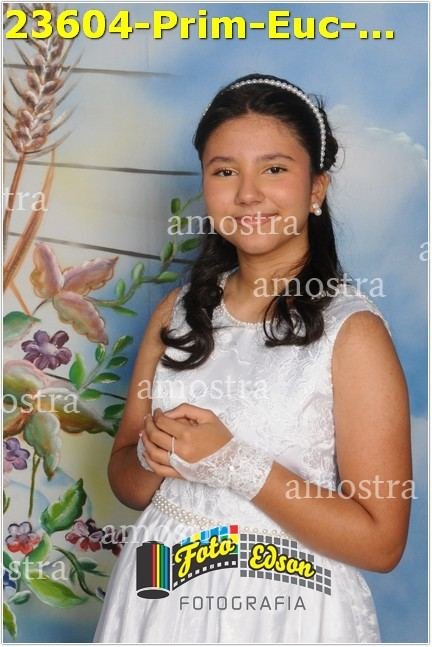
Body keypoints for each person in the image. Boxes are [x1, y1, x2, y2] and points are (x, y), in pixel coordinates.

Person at [93, 73, 412, 643]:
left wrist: (232, 461)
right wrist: (151, 454)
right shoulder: (178, 311)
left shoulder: (352, 332)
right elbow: (127, 480)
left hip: (287, 607)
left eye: (274, 169)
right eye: (224, 172)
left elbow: (381, 543)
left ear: (316, 188)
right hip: (159, 592)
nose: (247, 194)